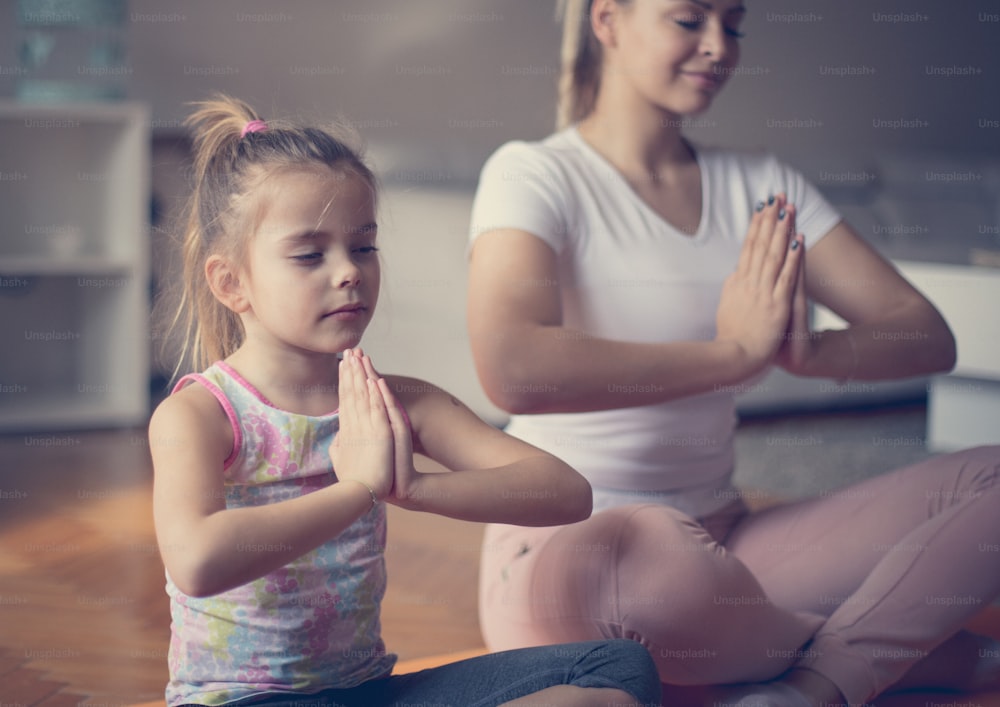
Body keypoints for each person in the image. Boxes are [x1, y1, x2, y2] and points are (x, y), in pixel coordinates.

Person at [465, 1, 1000, 706]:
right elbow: (513, 367)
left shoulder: (761, 185)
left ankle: (812, 684)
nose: (720, 46)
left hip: (727, 544)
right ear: (607, 21)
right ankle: (913, 646)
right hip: (572, 555)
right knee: (649, 559)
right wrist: (734, 353)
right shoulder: (531, 173)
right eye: (690, 19)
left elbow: (925, 332)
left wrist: (808, 354)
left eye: (734, 23)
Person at [147, 93, 661, 707]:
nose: (349, 272)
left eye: (363, 246)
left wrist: (410, 487)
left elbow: (566, 492)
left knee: (617, 666)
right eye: (310, 254)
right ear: (232, 282)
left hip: (368, 692)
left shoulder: (396, 405)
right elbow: (196, 562)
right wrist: (355, 491)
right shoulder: (200, 415)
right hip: (243, 701)